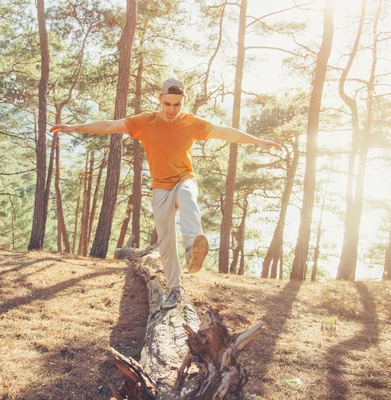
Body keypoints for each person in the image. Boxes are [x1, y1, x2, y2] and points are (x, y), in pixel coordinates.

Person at [50, 78, 280, 309]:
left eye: (177, 105)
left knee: (188, 196)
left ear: (183, 103)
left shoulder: (192, 123)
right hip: (160, 187)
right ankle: (174, 290)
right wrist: (74, 127)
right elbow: (110, 126)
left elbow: (224, 133)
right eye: (167, 104)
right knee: (166, 242)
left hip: (184, 179)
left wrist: (256, 141)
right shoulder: (145, 121)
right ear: (159, 99)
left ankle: (192, 247)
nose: (171, 110)